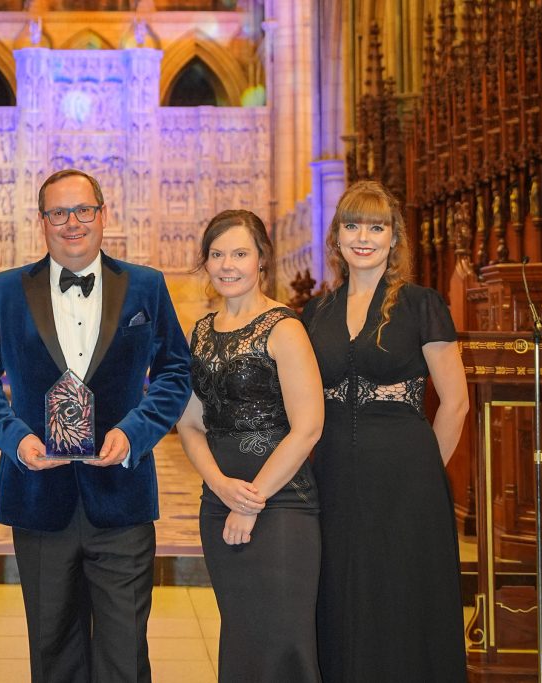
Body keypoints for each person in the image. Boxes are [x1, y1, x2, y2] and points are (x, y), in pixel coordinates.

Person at [0, 169, 192, 682]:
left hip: (123, 496)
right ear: (41, 221)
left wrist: (136, 430)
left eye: (82, 210)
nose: (72, 223)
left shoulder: (147, 286)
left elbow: (176, 370)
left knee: (124, 651)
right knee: (52, 647)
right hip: (39, 495)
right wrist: (14, 437)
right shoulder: (5, 290)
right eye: (58, 213)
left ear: (103, 214)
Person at [302, 180, 469, 682]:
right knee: (341, 590)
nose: (364, 237)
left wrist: (421, 473)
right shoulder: (316, 312)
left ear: (395, 238)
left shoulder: (422, 304)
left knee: (401, 594)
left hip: (405, 475)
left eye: (377, 227)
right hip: (333, 472)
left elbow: (456, 403)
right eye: (352, 225)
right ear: (336, 238)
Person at [176, 210, 323, 682]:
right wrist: (219, 486)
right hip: (219, 501)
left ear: (262, 259)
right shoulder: (201, 332)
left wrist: (251, 500)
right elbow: (190, 424)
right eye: (217, 254)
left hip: (280, 503)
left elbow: (308, 427)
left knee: (283, 638)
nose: (227, 265)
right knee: (241, 633)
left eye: (239, 253)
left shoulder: (285, 328)